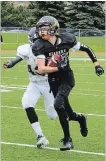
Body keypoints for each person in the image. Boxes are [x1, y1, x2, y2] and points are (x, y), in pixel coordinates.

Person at [32, 16, 104, 151]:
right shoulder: (39, 45)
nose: (42, 32)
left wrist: (97, 65)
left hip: (67, 78)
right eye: (41, 29)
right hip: (53, 80)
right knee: (69, 114)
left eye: (45, 29)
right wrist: (58, 67)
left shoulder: (66, 39)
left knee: (58, 105)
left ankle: (68, 140)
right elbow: (41, 69)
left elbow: (87, 48)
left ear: (53, 29)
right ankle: (81, 119)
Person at [3, 27, 57, 148]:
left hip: (48, 83)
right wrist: (10, 63)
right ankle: (40, 136)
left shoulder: (50, 49)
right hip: (35, 83)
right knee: (26, 103)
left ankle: (74, 116)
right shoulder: (26, 49)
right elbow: (18, 59)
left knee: (52, 115)